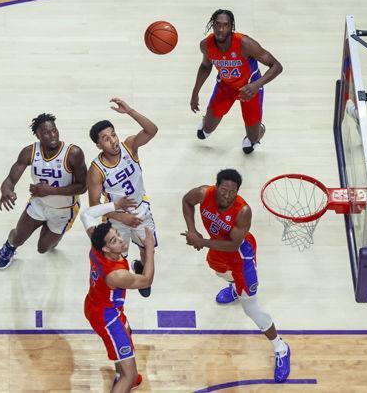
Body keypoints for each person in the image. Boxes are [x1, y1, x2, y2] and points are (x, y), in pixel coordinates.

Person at [181, 169, 291, 382]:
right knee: (217, 270)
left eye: (233, 192)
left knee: (250, 308)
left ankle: (281, 347)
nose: (227, 195)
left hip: (240, 256)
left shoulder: (243, 211)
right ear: (216, 187)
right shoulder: (204, 193)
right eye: (224, 190)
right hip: (217, 248)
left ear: (237, 192)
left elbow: (233, 245)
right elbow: (186, 201)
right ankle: (233, 287)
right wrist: (192, 230)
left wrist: (201, 242)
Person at [80, 196, 155, 392]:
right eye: (114, 240)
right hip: (108, 317)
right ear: (106, 248)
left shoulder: (97, 245)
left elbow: (87, 213)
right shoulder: (117, 275)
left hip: (94, 304)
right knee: (129, 377)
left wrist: (116, 206)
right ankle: (125, 380)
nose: (121, 239)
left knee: (127, 333)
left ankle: (124, 373)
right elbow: (146, 280)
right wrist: (149, 251)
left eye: (117, 235)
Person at [0, 113, 87, 269]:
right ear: (37, 135)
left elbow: (83, 186)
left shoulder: (73, 153)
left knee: (43, 248)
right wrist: (6, 189)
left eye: (54, 130)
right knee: (18, 237)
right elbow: (10, 179)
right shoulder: (29, 152)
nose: (52, 135)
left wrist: (51, 190)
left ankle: (53, 233)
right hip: (39, 203)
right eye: (45, 132)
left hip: (64, 210)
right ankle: (9, 247)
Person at [88, 98, 159, 297]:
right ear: (98, 145)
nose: (113, 141)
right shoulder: (95, 170)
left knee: (147, 249)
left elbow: (152, 130)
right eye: (106, 138)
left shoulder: (129, 146)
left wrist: (130, 111)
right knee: (119, 257)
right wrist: (121, 217)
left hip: (141, 210)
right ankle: (125, 280)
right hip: (116, 218)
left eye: (113, 135)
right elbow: (94, 206)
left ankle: (142, 273)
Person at [190, 9, 283, 154]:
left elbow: (277, 66)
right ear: (212, 25)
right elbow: (205, 66)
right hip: (225, 87)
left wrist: (256, 85)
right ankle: (207, 119)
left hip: (250, 89)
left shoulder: (245, 44)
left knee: (250, 142)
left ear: (231, 26)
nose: (221, 29)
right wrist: (195, 93)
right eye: (217, 24)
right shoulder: (206, 45)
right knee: (205, 131)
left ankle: (260, 129)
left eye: (225, 25)